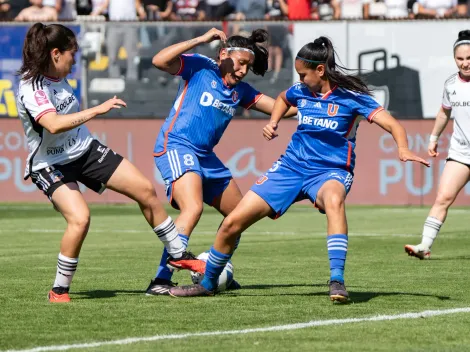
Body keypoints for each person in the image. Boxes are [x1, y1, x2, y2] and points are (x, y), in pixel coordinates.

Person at [168, 36, 430, 302]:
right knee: (233, 222)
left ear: (320, 70)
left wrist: (403, 148)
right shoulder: (301, 90)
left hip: (331, 170)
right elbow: (283, 98)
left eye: (303, 74)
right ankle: (208, 283)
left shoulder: (353, 98)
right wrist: (273, 122)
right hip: (290, 167)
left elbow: (394, 125)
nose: (300, 80)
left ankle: (337, 280)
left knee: (334, 200)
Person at [16, 23, 204, 303]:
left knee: (145, 190)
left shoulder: (57, 75)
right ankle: (59, 290)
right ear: (55, 54)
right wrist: (98, 109)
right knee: (80, 219)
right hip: (50, 165)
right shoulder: (31, 87)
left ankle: (178, 255)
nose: (75, 60)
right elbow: (52, 125)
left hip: (86, 150)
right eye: (72, 55)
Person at [147, 27, 297, 295]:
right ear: (224, 54)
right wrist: (201, 40)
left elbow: (284, 108)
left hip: (206, 157)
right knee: (192, 209)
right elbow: (159, 61)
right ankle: (160, 280)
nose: (242, 71)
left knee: (239, 216)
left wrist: (319, 100)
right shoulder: (201, 67)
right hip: (177, 145)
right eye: (240, 63)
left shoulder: (242, 91)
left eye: (247, 67)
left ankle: (215, 273)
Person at [405, 30, 470, 260]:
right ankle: (424, 246)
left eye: (469, 58)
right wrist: (433, 138)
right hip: (461, 152)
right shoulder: (451, 84)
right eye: (460, 59)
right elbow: (444, 112)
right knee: (443, 198)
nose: (465, 63)